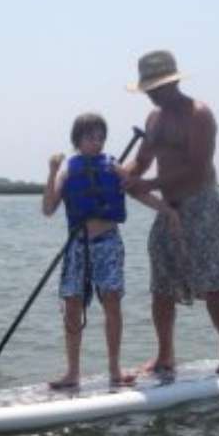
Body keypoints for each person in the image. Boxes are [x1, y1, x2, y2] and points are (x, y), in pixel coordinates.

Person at [119, 50, 219, 376]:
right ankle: (165, 355)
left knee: (212, 280)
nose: (152, 95)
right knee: (162, 282)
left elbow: (197, 167)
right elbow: (142, 161)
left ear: (173, 83)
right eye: (148, 90)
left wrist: (148, 183)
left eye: (157, 88)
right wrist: (122, 174)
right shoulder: (154, 120)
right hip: (169, 208)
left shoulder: (199, 115)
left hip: (200, 201)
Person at [42, 112, 180, 390]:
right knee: (72, 307)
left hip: (107, 243)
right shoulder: (67, 169)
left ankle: (114, 370)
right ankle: (72, 373)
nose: (98, 142)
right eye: (91, 137)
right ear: (77, 140)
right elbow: (48, 209)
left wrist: (166, 210)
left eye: (101, 137)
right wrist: (52, 171)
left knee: (112, 303)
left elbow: (137, 191)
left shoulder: (113, 166)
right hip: (77, 247)